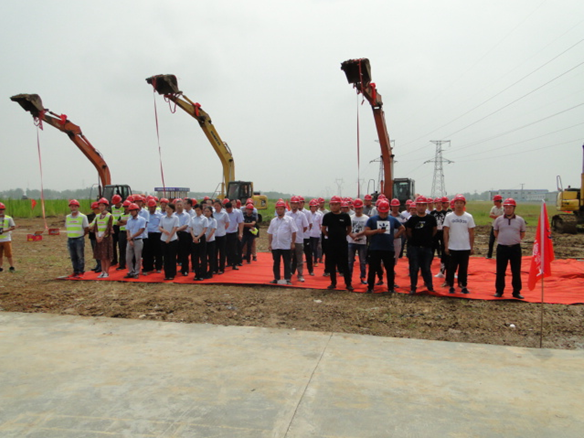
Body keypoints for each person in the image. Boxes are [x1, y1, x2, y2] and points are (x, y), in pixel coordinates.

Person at [364, 200, 405, 293]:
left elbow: (402, 228)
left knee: (390, 269)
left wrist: (394, 236)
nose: (383, 214)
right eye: (381, 212)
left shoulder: (392, 219)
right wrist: (376, 231)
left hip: (388, 248)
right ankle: (370, 287)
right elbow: (366, 231)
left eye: (385, 213)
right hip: (375, 248)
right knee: (372, 269)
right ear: (378, 211)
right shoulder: (372, 219)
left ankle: (391, 288)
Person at [493, 198, 526, 299]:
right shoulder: (498, 219)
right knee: (500, 270)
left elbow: (522, 233)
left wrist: (514, 240)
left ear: (514, 208)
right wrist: (503, 240)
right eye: (506, 207)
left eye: (510, 207)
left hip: (515, 248)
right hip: (502, 248)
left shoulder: (520, 220)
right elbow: (495, 232)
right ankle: (499, 291)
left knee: (516, 270)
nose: (508, 209)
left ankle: (516, 291)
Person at [443, 194, 476, 294]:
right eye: (457, 203)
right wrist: (446, 246)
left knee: (463, 268)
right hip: (453, 247)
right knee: (451, 268)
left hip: (465, 247)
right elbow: (446, 232)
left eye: (461, 203)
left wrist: (471, 247)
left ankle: (463, 285)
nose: (459, 205)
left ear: (464, 204)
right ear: (454, 204)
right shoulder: (449, 216)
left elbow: (471, 233)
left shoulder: (468, 217)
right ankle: (451, 285)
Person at [405, 196, 437, 295]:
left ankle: (430, 286)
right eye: (419, 205)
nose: (421, 207)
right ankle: (413, 288)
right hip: (414, 247)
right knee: (414, 268)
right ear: (416, 206)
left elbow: (434, 230)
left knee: (426, 268)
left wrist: (427, 239)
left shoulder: (431, 218)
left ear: (426, 206)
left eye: (423, 205)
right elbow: (408, 232)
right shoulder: (412, 219)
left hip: (427, 247)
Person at [322, 196, 353, 291]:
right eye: (332, 204)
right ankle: (333, 283)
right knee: (332, 264)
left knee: (345, 264)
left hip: (342, 244)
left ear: (340, 205)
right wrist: (330, 235)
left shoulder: (345, 216)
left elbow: (349, 229)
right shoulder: (327, 216)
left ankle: (348, 283)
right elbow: (324, 229)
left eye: (336, 204)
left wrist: (343, 235)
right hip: (331, 244)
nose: (334, 206)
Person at [267, 200, 297, 284]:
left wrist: (293, 243)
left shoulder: (289, 220)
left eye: (281, 209)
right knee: (276, 262)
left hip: (286, 245)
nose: (279, 211)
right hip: (275, 245)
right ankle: (276, 278)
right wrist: (270, 244)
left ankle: (287, 279)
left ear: (284, 209)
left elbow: (294, 232)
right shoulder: (273, 221)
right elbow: (270, 233)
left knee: (287, 262)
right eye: (278, 209)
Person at [64, 199, 89, 278]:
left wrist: (82, 235)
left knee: (80, 256)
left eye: (75, 206)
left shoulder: (83, 217)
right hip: (70, 239)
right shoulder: (68, 217)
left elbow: (86, 228)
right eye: (72, 206)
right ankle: (75, 271)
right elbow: (67, 226)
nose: (73, 208)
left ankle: (81, 271)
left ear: (78, 207)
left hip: (79, 239)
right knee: (73, 256)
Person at [287, 196, 309, 282]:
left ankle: (300, 274)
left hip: (299, 240)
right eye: (292, 203)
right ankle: (288, 274)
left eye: (296, 203)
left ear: (298, 204)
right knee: (288, 258)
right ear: (290, 204)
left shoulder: (302, 215)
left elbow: (305, 227)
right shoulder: (287, 214)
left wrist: (299, 233)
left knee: (299, 259)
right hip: (289, 240)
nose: (294, 205)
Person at [91, 198, 114, 278]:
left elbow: (108, 228)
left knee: (106, 256)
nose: (101, 207)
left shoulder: (109, 216)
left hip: (106, 238)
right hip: (99, 237)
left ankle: (107, 272)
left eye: (103, 205)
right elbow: (96, 227)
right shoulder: (97, 216)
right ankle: (102, 271)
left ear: (106, 206)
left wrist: (102, 236)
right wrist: (97, 236)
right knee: (101, 256)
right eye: (100, 205)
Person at [348, 198, 369, 285]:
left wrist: (357, 235)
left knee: (362, 261)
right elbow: (347, 229)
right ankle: (348, 277)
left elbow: (367, 230)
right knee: (350, 261)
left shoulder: (366, 218)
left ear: (362, 208)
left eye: (359, 208)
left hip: (362, 242)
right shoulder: (350, 218)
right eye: (356, 208)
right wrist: (353, 236)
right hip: (351, 241)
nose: (358, 210)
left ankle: (363, 277)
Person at [124, 203, 147, 279]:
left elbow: (141, 230)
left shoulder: (142, 219)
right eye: (130, 211)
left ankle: (136, 272)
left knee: (138, 258)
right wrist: (129, 238)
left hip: (138, 240)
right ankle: (131, 271)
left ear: (137, 210)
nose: (131, 212)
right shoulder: (129, 220)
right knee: (128, 258)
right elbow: (127, 230)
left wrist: (131, 237)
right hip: (130, 240)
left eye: (133, 210)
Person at [159, 202, 179, 280]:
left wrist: (169, 238)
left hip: (172, 239)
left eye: (169, 209)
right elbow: (159, 227)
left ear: (173, 210)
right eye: (166, 208)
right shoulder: (163, 217)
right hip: (163, 239)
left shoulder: (175, 218)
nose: (167, 210)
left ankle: (172, 274)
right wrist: (163, 230)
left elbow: (175, 228)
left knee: (172, 257)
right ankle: (166, 274)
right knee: (166, 257)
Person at [142, 199, 163, 275]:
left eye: (152, 207)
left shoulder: (160, 215)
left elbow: (162, 225)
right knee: (147, 252)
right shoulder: (146, 214)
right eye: (150, 207)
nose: (151, 208)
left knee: (158, 252)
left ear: (155, 207)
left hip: (157, 234)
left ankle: (158, 267)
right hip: (147, 234)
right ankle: (148, 267)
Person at [189, 203, 208, 281]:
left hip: (201, 237)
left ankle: (202, 274)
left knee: (202, 257)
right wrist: (194, 237)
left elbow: (204, 229)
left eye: (199, 210)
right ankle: (196, 274)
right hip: (194, 237)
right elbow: (190, 228)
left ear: (202, 210)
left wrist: (198, 237)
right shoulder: (192, 218)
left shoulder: (204, 219)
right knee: (195, 256)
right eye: (196, 210)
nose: (197, 212)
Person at [175, 199, 192, 276]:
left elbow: (186, 225)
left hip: (183, 234)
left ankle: (185, 270)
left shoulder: (187, 215)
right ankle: (173, 270)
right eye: (177, 205)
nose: (179, 206)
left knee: (184, 253)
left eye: (180, 205)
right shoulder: (173, 215)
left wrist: (176, 229)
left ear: (183, 206)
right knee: (174, 253)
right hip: (174, 234)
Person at [213, 199, 230, 274]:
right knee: (214, 252)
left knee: (222, 252)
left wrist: (222, 229)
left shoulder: (224, 214)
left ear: (221, 206)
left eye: (217, 205)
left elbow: (227, 223)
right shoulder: (213, 213)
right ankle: (215, 268)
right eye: (215, 206)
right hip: (214, 235)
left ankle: (222, 268)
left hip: (222, 235)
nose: (216, 207)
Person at [225, 202, 243, 270]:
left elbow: (241, 222)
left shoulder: (238, 212)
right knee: (226, 249)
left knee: (234, 249)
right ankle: (229, 262)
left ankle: (235, 264)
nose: (228, 211)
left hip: (233, 232)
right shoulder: (223, 212)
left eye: (229, 209)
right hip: (224, 233)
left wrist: (240, 233)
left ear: (232, 207)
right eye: (227, 209)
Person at [0, 202, 16, 273]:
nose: (1, 211)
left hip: (6, 239)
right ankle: (0, 267)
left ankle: (11, 266)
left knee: (9, 254)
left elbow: (13, 227)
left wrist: (5, 230)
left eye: (2, 209)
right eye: (0, 209)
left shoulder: (9, 218)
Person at [115, 200, 131, 271]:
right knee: (121, 249)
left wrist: (123, 222)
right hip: (122, 233)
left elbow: (131, 223)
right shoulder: (121, 215)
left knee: (130, 250)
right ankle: (122, 265)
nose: (126, 208)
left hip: (129, 233)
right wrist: (125, 222)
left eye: (127, 206)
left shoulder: (132, 215)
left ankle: (130, 264)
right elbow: (117, 223)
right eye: (125, 207)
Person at [487, 195, 504, 259]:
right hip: (494, 226)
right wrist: (498, 216)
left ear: (499, 201)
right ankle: (489, 255)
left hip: (501, 227)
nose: (494, 202)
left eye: (495, 201)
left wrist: (495, 216)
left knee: (501, 242)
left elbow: (503, 217)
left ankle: (501, 255)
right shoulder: (493, 208)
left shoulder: (503, 208)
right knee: (491, 241)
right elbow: (491, 215)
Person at [308, 199, 323, 271]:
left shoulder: (319, 215)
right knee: (310, 248)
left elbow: (320, 224)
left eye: (314, 207)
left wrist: (320, 231)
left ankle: (315, 261)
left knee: (315, 248)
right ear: (310, 207)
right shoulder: (308, 214)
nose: (313, 208)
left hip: (316, 233)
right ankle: (310, 261)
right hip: (309, 233)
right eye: (312, 207)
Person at [87, 201, 101, 273]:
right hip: (92, 236)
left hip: (100, 236)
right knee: (95, 251)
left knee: (100, 251)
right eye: (95, 209)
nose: (96, 210)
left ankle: (101, 265)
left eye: (97, 209)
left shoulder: (103, 216)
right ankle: (98, 264)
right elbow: (88, 225)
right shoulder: (89, 216)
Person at [203, 206, 217, 278]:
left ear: (211, 212)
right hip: (203, 240)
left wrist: (207, 239)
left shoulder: (213, 220)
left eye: (208, 211)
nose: (206, 213)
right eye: (205, 211)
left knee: (211, 257)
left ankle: (211, 272)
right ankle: (204, 271)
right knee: (203, 257)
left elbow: (212, 231)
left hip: (211, 240)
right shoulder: (202, 219)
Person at [110, 194, 123, 267]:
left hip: (121, 227)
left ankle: (122, 260)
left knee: (121, 245)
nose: (116, 204)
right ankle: (114, 260)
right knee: (113, 244)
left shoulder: (123, 207)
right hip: (114, 227)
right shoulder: (112, 207)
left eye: (117, 202)